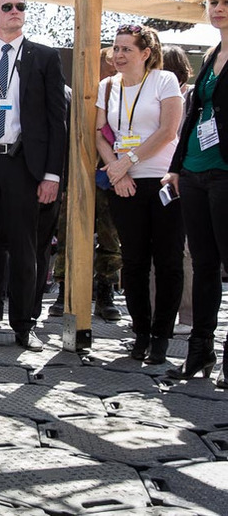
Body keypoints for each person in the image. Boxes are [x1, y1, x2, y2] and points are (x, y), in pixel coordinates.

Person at [0, 0, 67, 351]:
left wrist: (52, 174)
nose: (14, 11)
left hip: (22, 164)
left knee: (26, 248)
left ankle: (25, 324)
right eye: (6, 6)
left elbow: (58, 121)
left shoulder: (44, 57)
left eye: (20, 6)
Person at [96, 24, 183, 364]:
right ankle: (141, 331)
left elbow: (168, 130)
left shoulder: (164, 81)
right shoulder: (106, 87)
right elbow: (100, 135)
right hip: (124, 183)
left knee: (168, 261)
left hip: (163, 182)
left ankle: (162, 335)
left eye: (126, 49)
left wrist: (128, 160)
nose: (118, 55)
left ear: (145, 53)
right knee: (132, 261)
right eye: (115, 49)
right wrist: (116, 170)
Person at [168, 0, 228, 388]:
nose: (218, 7)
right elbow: (193, 116)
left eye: (225, 0)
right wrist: (176, 165)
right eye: (212, 2)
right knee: (204, 263)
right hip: (193, 170)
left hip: (226, 171)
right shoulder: (211, 54)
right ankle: (199, 348)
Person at [48, 47, 123, 322]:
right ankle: (64, 290)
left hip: (109, 176)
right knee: (69, 236)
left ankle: (105, 291)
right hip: (76, 175)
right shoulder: (74, 96)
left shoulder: (120, 96)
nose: (113, 67)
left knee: (109, 237)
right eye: (108, 62)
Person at [162, 44, 195, 335]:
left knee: (185, 251)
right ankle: (158, 314)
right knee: (159, 250)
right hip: (158, 180)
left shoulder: (193, 95)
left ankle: (187, 316)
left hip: (188, 178)